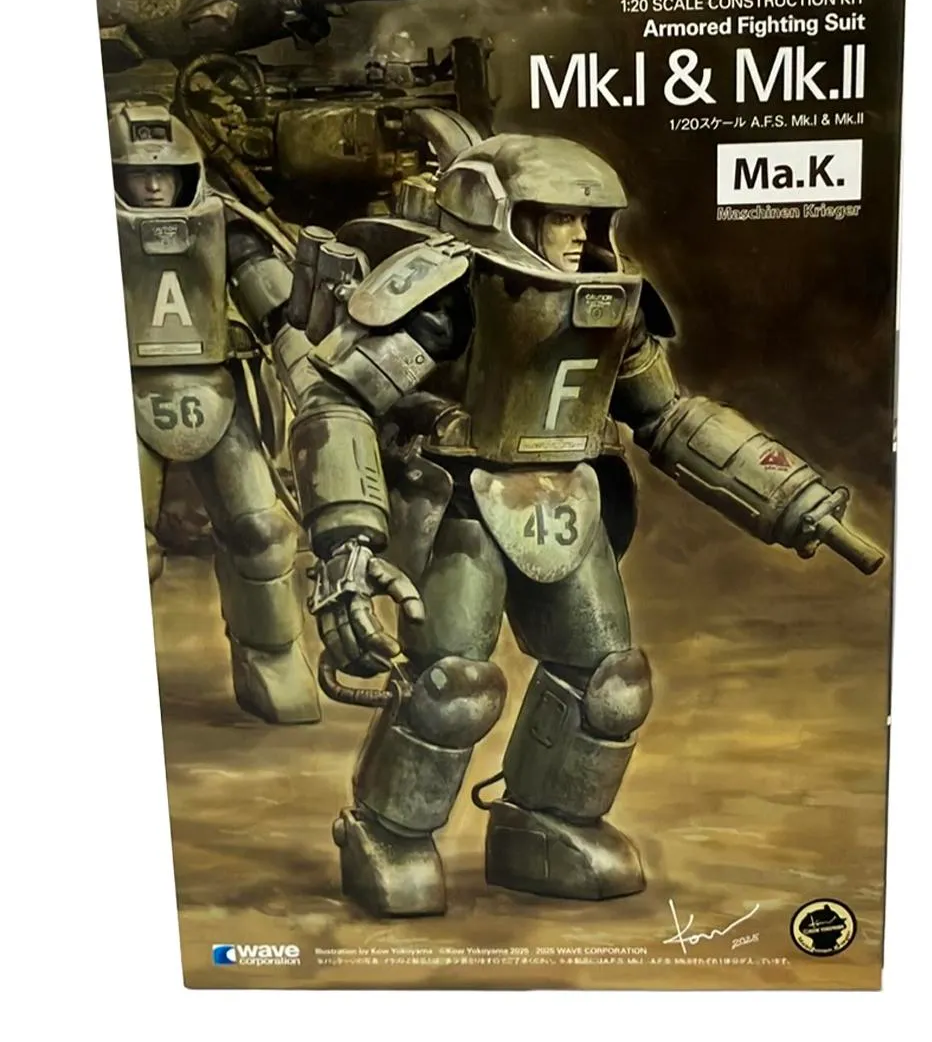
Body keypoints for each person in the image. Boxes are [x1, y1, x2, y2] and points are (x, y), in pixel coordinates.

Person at [277, 133, 885, 915]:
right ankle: (389, 831)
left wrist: (787, 491)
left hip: (567, 498)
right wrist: (347, 542)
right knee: (454, 688)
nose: (581, 236)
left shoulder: (610, 301)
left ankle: (547, 820)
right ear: (499, 214)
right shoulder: (450, 293)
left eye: (590, 220)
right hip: (460, 501)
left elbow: (665, 413)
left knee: (611, 684)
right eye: (558, 217)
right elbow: (338, 400)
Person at [112, 102, 320, 724]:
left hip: (216, 389)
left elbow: (275, 304)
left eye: (166, 173)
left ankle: (271, 659)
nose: (154, 186)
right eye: (138, 174)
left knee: (264, 534)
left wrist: (306, 367)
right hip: (125, 391)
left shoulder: (225, 222)